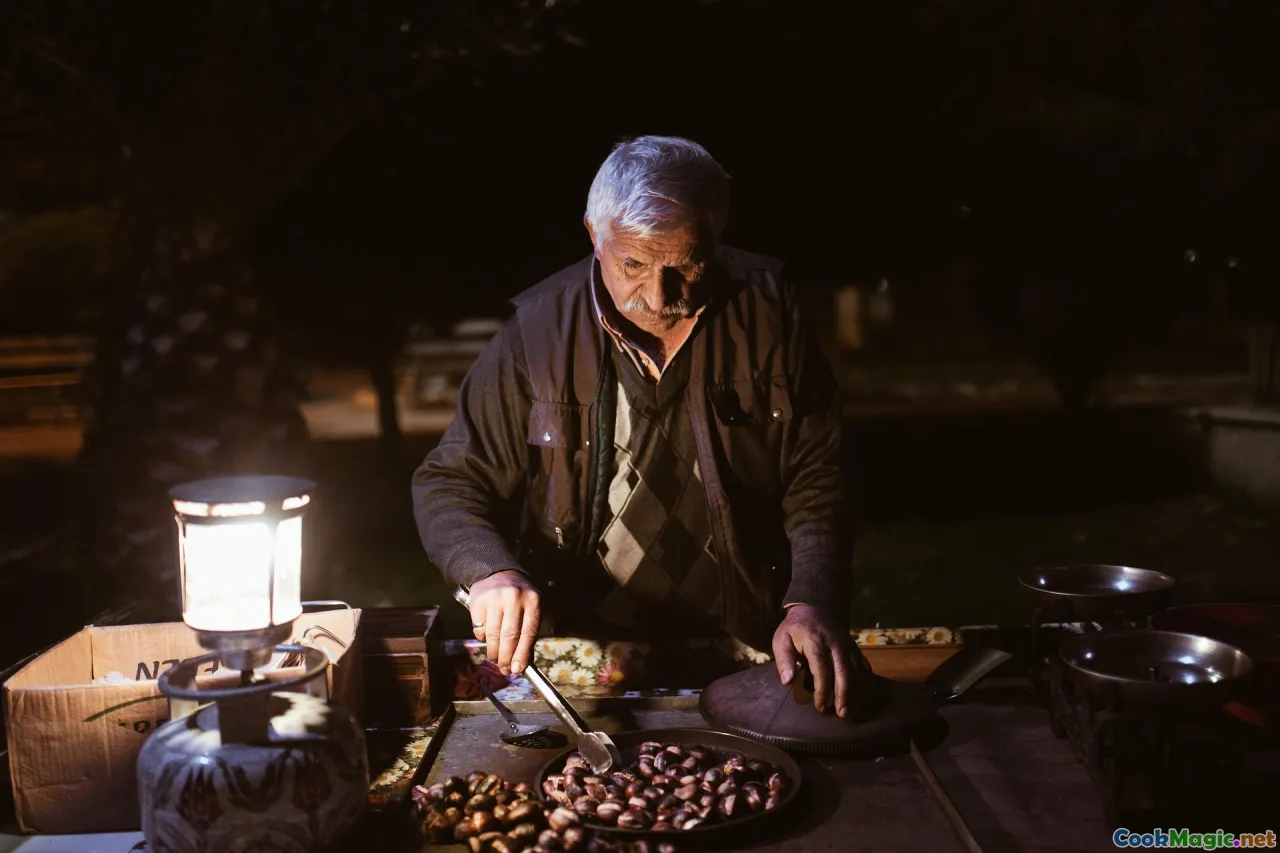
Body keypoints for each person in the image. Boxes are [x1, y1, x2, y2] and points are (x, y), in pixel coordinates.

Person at [412, 136, 872, 718]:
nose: (658, 297)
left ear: (717, 236)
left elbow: (819, 473)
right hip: (585, 646)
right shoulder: (537, 333)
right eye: (632, 264)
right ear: (593, 234)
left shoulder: (771, 312)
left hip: (754, 637)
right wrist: (489, 570)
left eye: (686, 266)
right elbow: (451, 479)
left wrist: (810, 599)